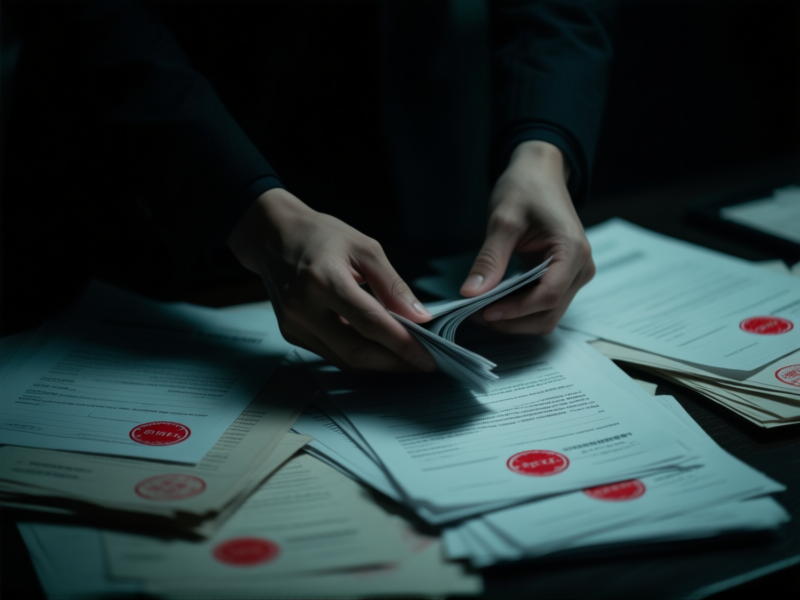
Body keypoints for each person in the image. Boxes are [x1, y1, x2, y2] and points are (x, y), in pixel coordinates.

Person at [4, 1, 613, 372]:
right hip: (134, 178)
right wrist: (246, 206)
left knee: (373, 327)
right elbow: (92, 15)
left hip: (371, 109)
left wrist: (542, 147)